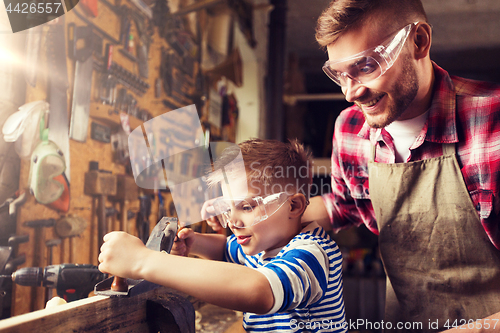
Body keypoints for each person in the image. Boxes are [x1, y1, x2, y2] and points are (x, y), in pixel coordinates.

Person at [99, 138, 347, 332]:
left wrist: (144, 262)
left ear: (293, 206)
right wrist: (194, 243)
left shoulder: (312, 255)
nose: (233, 222)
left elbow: (260, 291)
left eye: (247, 207)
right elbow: (224, 250)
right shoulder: (265, 244)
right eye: (228, 209)